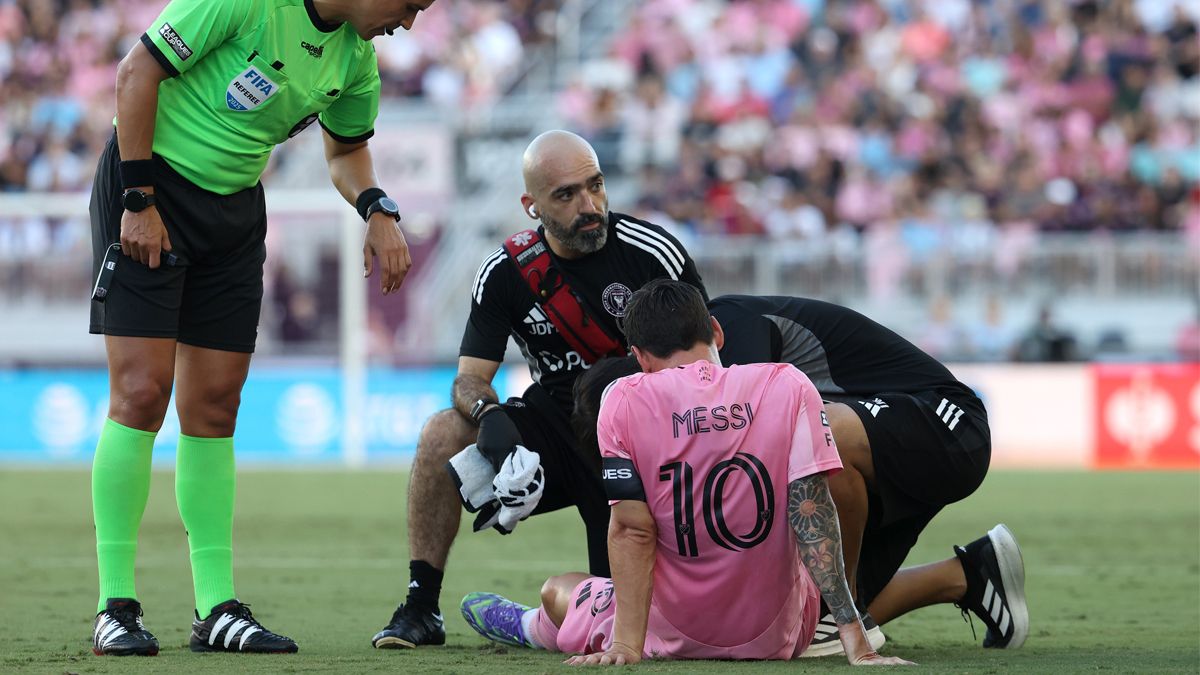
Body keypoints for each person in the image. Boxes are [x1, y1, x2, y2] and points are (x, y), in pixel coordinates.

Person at [87, 0, 431, 657]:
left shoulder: (357, 63)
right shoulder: (249, 3)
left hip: (235, 212)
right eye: (409, 4)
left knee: (215, 405)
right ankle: (115, 607)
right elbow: (136, 74)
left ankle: (215, 607)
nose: (408, 22)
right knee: (140, 392)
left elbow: (348, 151)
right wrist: (137, 198)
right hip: (150, 187)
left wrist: (376, 205)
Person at [370, 130, 707, 650]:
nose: (589, 205)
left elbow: (708, 366)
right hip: (552, 431)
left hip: (641, 440)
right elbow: (468, 379)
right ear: (532, 206)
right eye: (566, 195)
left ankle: (535, 625)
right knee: (442, 433)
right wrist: (491, 419)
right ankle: (420, 607)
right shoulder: (505, 272)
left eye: (594, 186)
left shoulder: (652, 253)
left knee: (631, 618)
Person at [459, 280, 913, 665]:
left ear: (638, 356)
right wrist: (855, 640)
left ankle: (531, 626)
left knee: (559, 590)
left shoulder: (623, 398)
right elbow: (811, 509)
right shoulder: (787, 383)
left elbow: (632, 531)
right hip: (780, 635)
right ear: (715, 331)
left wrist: (625, 645)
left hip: (670, 630)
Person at [708, 294, 1027, 654]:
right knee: (800, 625)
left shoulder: (730, 321)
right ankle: (968, 576)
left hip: (944, 419)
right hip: (880, 450)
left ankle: (845, 611)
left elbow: (747, 448)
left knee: (815, 435)